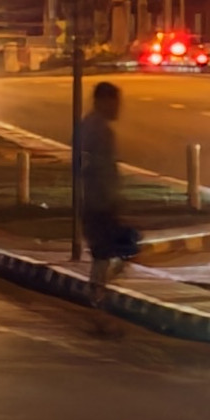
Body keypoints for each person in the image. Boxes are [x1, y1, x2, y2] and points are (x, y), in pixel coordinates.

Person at [75, 78, 139, 300]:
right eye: (115, 102)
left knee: (107, 252)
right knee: (114, 251)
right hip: (99, 203)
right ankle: (96, 296)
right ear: (102, 101)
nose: (118, 108)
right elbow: (100, 169)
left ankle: (97, 294)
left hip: (94, 200)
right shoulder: (99, 131)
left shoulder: (87, 126)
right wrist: (111, 200)